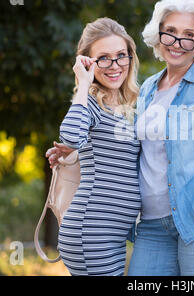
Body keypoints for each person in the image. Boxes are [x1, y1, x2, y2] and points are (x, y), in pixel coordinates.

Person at [47, 0, 194, 276]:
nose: (177, 43)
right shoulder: (146, 89)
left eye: (189, 35)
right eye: (170, 32)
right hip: (154, 224)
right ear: (158, 35)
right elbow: (131, 147)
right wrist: (75, 153)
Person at [50, 17, 141, 276]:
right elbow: (70, 135)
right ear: (88, 62)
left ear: (130, 58)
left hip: (116, 233)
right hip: (91, 232)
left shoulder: (134, 104)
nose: (114, 66)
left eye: (121, 56)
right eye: (103, 58)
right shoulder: (90, 103)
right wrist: (83, 83)